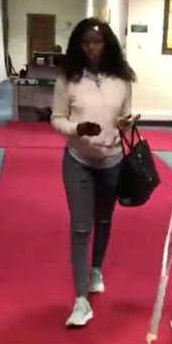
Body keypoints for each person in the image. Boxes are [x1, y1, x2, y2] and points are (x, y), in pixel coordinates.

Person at [50, 18, 136, 327]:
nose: (90, 47)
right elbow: (56, 118)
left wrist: (127, 122)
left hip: (112, 160)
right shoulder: (68, 78)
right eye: (84, 42)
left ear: (107, 44)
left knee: (103, 220)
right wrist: (77, 128)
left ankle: (96, 268)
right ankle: (80, 300)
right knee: (81, 227)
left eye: (95, 42)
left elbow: (125, 117)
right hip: (78, 160)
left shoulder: (122, 79)